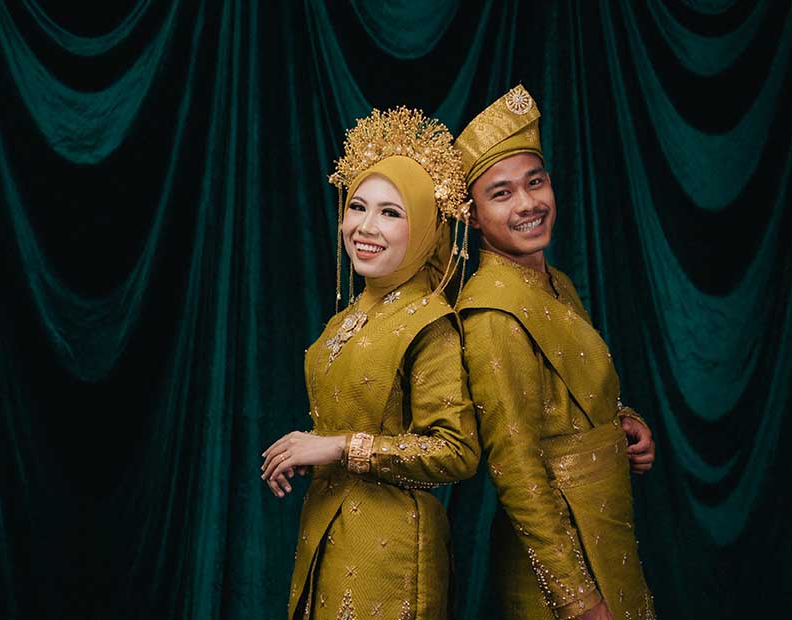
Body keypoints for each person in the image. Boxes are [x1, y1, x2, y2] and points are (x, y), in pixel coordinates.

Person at [260, 107, 480, 620]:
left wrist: (340, 447)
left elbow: (456, 451)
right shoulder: (346, 319)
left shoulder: (429, 321)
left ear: (424, 226)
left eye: (390, 213)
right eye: (357, 206)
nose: (365, 226)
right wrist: (307, 451)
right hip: (327, 534)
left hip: (391, 555)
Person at [454, 85, 656, 620]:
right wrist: (576, 598)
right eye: (501, 193)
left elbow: (574, 395)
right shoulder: (492, 313)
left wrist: (623, 421)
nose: (528, 204)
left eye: (535, 182)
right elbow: (515, 468)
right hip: (561, 564)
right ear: (472, 215)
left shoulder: (556, 282)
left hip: (606, 533)